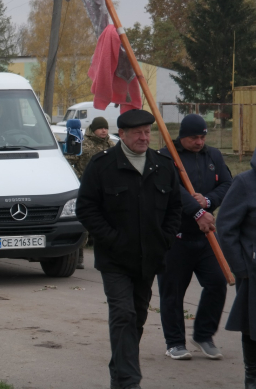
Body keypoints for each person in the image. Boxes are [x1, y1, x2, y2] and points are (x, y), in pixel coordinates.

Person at [76, 109, 182, 389]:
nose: (144, 137)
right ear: (121, 134)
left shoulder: (163, 166)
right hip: (115, 259)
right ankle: (128, 382)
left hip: (149, 259)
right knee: (123, 314)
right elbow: (86, 208)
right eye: (137, 133)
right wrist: (111, 239)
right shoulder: (102, 166)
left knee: (136, 318)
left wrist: (165, 239)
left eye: (148, 132)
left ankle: (119, 373)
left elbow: (175, 208)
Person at [157, 114, 232, 361]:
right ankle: (175, 342)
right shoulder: (166, 156)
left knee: (217, 283)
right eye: (194, 138)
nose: (199, 142)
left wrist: (208, 201)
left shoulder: (214, 156)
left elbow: (227, 184)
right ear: (182, 137)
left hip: (205, 236)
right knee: (173, 292)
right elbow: (171, 189)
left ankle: (203, 335)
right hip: (175, 237)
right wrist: (197, 209)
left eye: (202, 137)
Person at [217, 148, 256, 388]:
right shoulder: (245, 182)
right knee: (253, 325)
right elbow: (226, 226)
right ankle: (252, 376)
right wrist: (240, 267)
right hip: (252, 271)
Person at [66, 116, 115, 269]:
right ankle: (78, 256)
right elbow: (69, 160)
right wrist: (78, 177)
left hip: (107, 190)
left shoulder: (111, 145)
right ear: (94, 129)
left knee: (108, 223)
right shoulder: (84, 144)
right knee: (86, 223)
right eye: (101, 128)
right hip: (87, 188)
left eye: (106, 128)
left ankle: (109, 256)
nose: (104, 130)